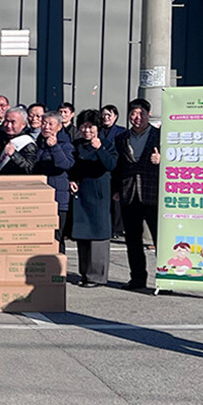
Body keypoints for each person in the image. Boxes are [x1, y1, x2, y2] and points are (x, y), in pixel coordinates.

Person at [112, 98, 161, 291]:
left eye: (141, 114)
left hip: (153, 193)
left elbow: (177, 161)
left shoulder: (161, 136)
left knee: (160, 239)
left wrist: (162, 159)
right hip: (129, 193)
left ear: (149, 114)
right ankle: (137, 278)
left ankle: (164, 279)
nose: (137, 117)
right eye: (133, 114)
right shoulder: (122, 138)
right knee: (133, 240)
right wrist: (116, 189)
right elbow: (117, 167)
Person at [68, 109, 118, 288]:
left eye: (91, 127)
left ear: (98, 127)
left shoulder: (107, 144)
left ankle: (97, 276)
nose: (86, 130)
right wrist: (71, 180)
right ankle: (85, 273)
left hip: (98, 195)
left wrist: (100, 149)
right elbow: (71, 167)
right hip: (81, 194)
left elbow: (111, 164)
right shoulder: (76, 145)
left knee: (98, 235)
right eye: (83, 126)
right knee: (82, 235)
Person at [34, 111, 76, 253]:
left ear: (59, 126)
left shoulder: (65, 144)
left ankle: (59, 266)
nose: (46, 127)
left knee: (56, 238)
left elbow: (66, 164)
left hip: (58, 198)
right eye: (44, 123)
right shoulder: (38, 143)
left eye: (50, 124)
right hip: (40, 197)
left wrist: (54, 147)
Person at [99, 103, 125, 238]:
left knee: (116, 200)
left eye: (109, 115)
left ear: (115, 116)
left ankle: (117, 228)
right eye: (103, 115)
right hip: (101, 170)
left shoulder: (121, 132)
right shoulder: (98, 131)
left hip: (116, 170)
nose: (106, 117)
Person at [0, 107, 38, 174]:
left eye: (13, 122)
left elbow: (30, 169)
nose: (8, 125)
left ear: (23, 124)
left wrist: (14, 154)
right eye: (7, 121)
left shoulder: (27, 143)